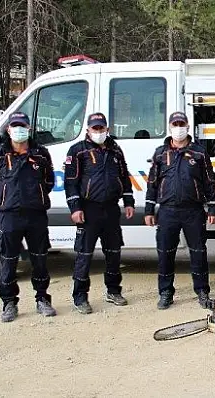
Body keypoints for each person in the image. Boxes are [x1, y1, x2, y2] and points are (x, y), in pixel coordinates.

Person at [0, 112, 56, 322]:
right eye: (15, 126)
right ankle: (9, 303)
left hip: (36, 214)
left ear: (29, 128)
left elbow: (49, 181)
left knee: (40, 259)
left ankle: (43, 298)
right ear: (8, 129)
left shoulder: (41, 153)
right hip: (9, 215)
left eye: (22, 126)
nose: (18, 129)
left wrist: (35, 196)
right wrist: (6, 198)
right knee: (9, 260)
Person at [144, 112, 215, 310]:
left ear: (187, 126)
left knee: (198, 252)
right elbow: (152, 183)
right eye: (175, 124)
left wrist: (213, 208)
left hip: (193, 211)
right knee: (165, 253)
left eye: (182, 124)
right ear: (170, 127)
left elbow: (209, 182)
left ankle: (202, 291)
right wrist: (149, 210)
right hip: (167, 211)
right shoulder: (160, 153)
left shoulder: (199, 153)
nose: (179, 127)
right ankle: (166, 292)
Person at [64, 112, 135, 314]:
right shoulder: (78, 151)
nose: (98, 132)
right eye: (94, 128)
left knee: (113, 253)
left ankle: (113, 291)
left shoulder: (115, 150)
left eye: (101, 128)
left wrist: (128, 202)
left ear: (107, 129)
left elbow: (124, 177)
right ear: (88, 130)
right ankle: (80, 297)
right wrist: (75, 208)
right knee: (84, 255)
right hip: (88, 209)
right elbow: (71, 183)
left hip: (111, 209)